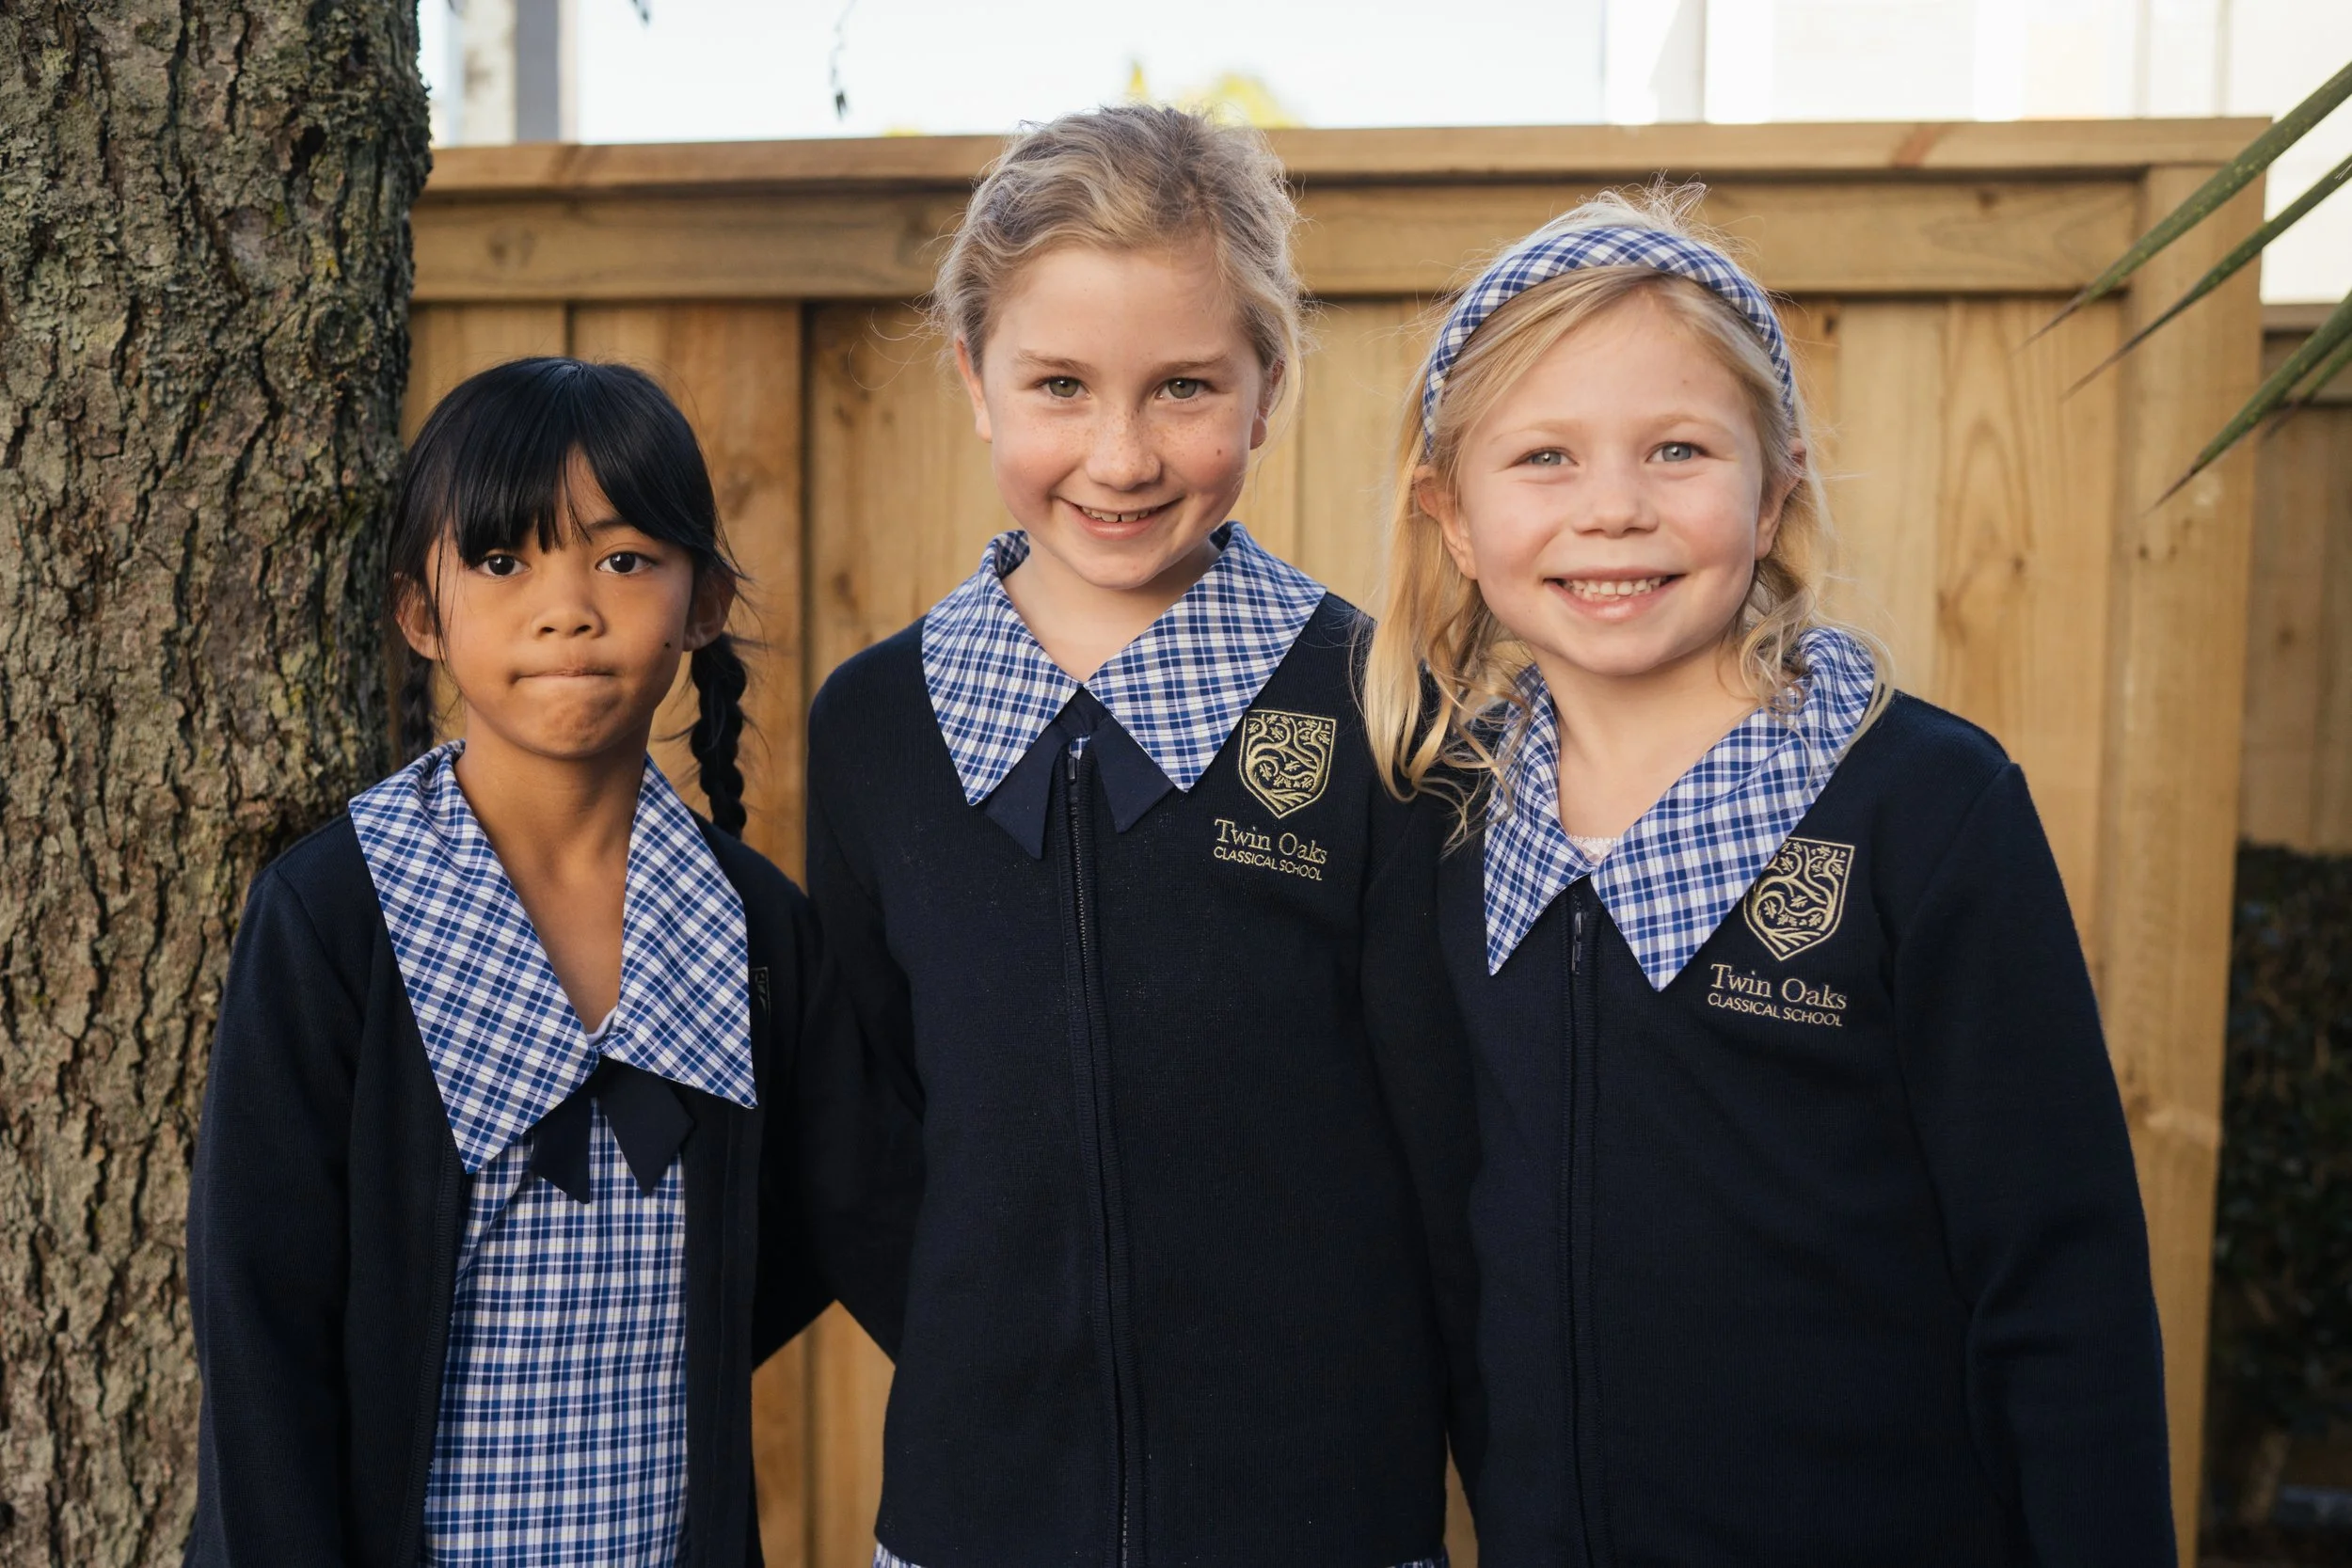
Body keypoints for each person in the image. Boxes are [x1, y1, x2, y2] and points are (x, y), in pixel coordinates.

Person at [1362, 187, 2174, 1564]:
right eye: (1544, 458)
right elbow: (1448, 1249)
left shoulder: (1924, 804)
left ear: (1777, 479)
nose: (1612, 509)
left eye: (1676, 448)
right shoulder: (1446, 824)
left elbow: (2062, 1280)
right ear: (1451, 513)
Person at [800, 104, 1480, 1568]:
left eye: (1182, 386)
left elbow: (1446, 1140)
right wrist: (1000, 1346)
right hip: (979, 1509)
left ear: (1266, 386)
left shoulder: (1377, 707)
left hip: (1321, 1512)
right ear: (976, 380)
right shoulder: (873, 726)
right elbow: (859, 1132)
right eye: (1058, 384)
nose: (1118, 453)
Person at [185, 358, 829, 1566]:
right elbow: (256, 1309)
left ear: (704, 601)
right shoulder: (333, 917)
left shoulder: (756, 927)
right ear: (421, 612)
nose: (566, 605)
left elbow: (801, 1232)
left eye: (624, 558)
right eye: (501, 561)